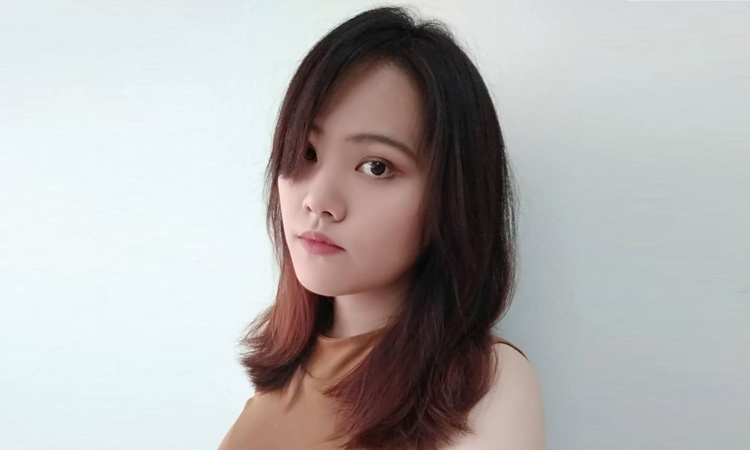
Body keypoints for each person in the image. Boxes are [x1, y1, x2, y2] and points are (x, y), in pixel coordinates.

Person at [217, 5, 545, 450]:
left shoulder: (486, 386)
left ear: (453, 195)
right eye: (307, 153)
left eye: (375, 166)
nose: (318, 200)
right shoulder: (282, 372)